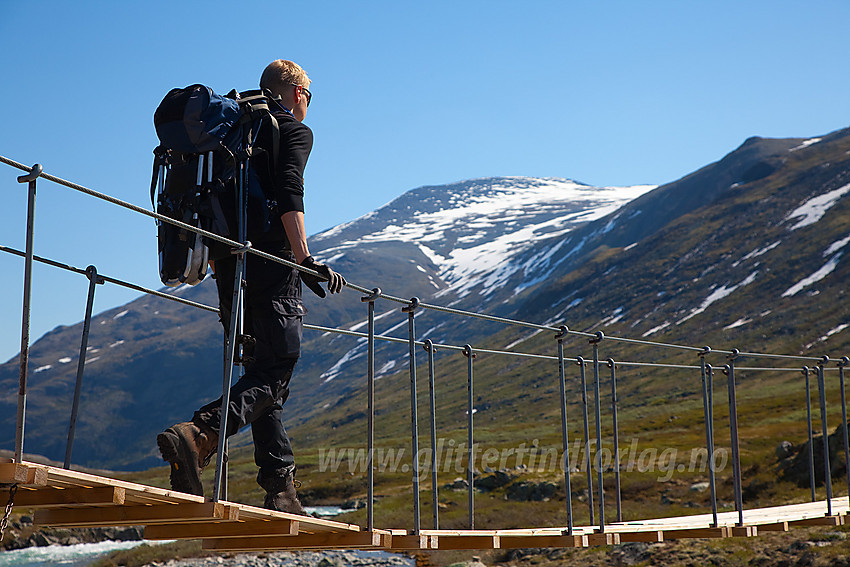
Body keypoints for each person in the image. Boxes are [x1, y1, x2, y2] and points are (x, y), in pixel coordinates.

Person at [156, 59, 345, 514]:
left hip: (225, 260)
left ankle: (281, 491)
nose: (308, 103)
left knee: (261, 374)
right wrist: (303, 259)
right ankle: (200, 433)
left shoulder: (233, 128)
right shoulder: (290, 129)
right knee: (278, 365)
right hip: (269, 260)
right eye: (309, 95)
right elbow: (288, 190)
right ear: (297, 92)